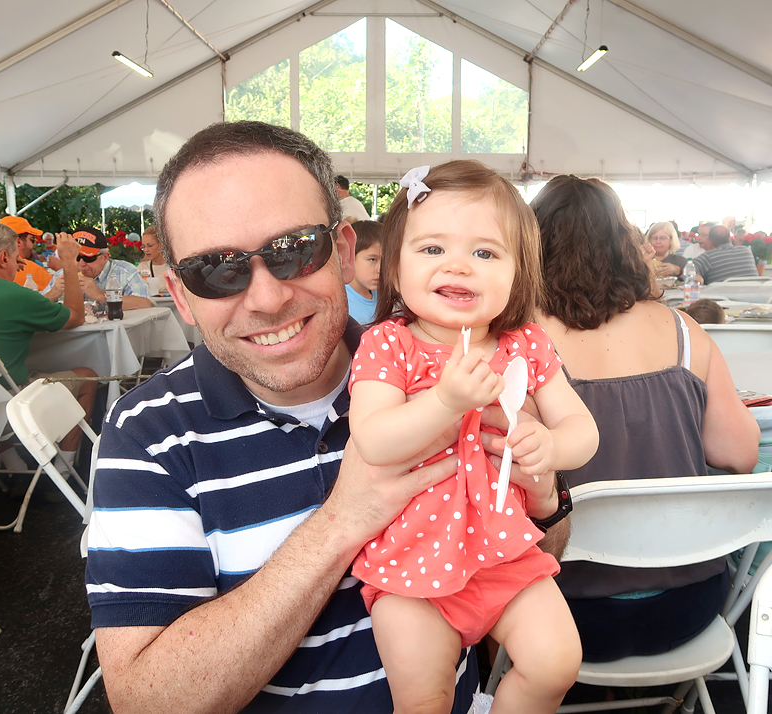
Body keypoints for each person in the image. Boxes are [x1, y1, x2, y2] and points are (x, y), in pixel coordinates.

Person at [86, 122, 567, 713]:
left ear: (341, 251)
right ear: (181, 295)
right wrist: (341, 523)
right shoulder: (148, 432)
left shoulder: (448, 364)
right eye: (216, 270)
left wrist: (546, 497)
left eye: (293, 251)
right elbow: (146, 703)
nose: (266, 299)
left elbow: (536, 552)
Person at [348, 161, 597, 714]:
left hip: (505, 554)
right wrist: (443, 402)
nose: (458, 265)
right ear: (394, 263)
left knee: (556, 662)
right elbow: (374, 440)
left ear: (518, 272)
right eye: (432, 249)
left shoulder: (525, 345)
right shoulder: (390, 345)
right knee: (425, 699)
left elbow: (584, 430)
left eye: (485, 253)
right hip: (409, 566)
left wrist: (552, 447)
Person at [531, 175, 760, 663]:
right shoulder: (684, 329)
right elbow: (738, 454)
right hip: (688, 605)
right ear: (625, 242)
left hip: (560, 617)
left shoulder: (523, 343)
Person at [0, 222, 98, 466]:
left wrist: (8, 269)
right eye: (16, 258)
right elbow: (75, 316)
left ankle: (11, 461)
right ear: (3, 258)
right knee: (88, 378)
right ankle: (63, 467)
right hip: (6, 409)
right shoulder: (16, 296)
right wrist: (69, 264)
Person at [73, 226, 152, 309]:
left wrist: (101, 295)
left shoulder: (126, 272)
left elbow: (145, 303)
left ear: (105, 257)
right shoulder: (63, 275)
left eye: (88, 258)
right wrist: (57, 293)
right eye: (75, 257)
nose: (81, 263)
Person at [0, 215, 54, 291]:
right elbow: (66, 293)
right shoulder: (30, 270)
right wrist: (65, 266)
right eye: (32, 239)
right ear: (18, 241)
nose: (33, 244)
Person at [692, 224, 757, 284]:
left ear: (710, 242)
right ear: (729, 239)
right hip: (754, 294)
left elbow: (689, 273)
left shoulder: (707, 257)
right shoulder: (746, 251)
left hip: (721, 295)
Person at [345, 220, 381, 324]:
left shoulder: (384, 298)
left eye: (386, 261)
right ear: (349, 257)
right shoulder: (341, 302)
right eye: (372, 259)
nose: (380, 269)